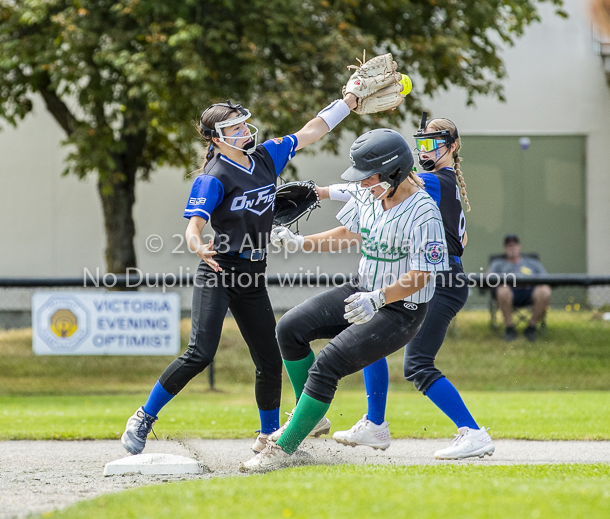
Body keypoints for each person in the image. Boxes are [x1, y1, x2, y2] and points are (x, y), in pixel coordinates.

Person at [121, 93, 359, 456]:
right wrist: (198, 244)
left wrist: (349, 101)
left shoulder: (265, 156)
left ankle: (267, 437)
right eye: (233, 127)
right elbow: (194, 227)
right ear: (216, 138)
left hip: (253, 272)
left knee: (268, 358)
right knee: (200, 353)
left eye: (243, 122)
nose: (243, 129)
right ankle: (143, 416)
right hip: (219, 270)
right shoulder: (213, 177)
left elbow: (313, 130)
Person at [239, 128, 451, 472]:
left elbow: (423, 276)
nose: (363, 184)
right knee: (290, 329)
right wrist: (299, 242)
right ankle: (311, 417)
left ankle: (282, 449)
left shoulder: (424, 211)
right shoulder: (371, 195)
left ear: (395, 172)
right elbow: (350, 234)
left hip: (401, 308)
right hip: (361, 288)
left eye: (369, 177)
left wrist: (378, 299)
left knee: (329, 363)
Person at [313, 116, 495, 460]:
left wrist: (320, 192)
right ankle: (374, 424)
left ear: (452, 147)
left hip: (440, 281)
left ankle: (473, 432)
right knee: (370, 336)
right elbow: (462, 237)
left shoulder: (432, 180)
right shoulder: (445, 183)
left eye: (434, 143)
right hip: (439, 276)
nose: (424, 150)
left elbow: (366, 186)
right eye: (420, 143)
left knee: (417, 365)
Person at [489, 234, 551, 342]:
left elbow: (546, 278)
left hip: (530, 293)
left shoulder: (533, 263)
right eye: (508, 245)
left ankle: (531, 327)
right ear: (504, 248)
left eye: (514, 244)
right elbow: (488, 279)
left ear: (519, 246)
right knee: (502, 290)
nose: (512, 247)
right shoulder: (498, 264)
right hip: (510, 294)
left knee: (545, 290)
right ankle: (510, 329)